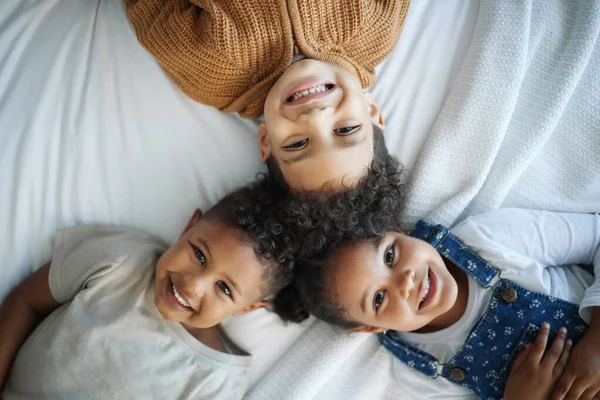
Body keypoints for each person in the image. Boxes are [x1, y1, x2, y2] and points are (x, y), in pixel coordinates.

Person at [0, 178, 295, 399]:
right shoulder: (119, 259)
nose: (193, 284)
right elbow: (26, 301)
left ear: (247, 308)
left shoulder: (216, 382)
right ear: (189, 226)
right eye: (200, 255)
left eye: (224, 288)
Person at [277, 209, 600, 399]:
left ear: (396, 231)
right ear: (372, 327)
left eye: (390, 255)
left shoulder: (487, 241)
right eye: (378, 298)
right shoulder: (421, 371)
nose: (405, 281)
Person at [124, 0, 410, 192]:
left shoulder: (213, 73)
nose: (316, 117)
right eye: (346, 129)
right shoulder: (374, 29)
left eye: (297, 144)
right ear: (372, 112)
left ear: (265, 141)